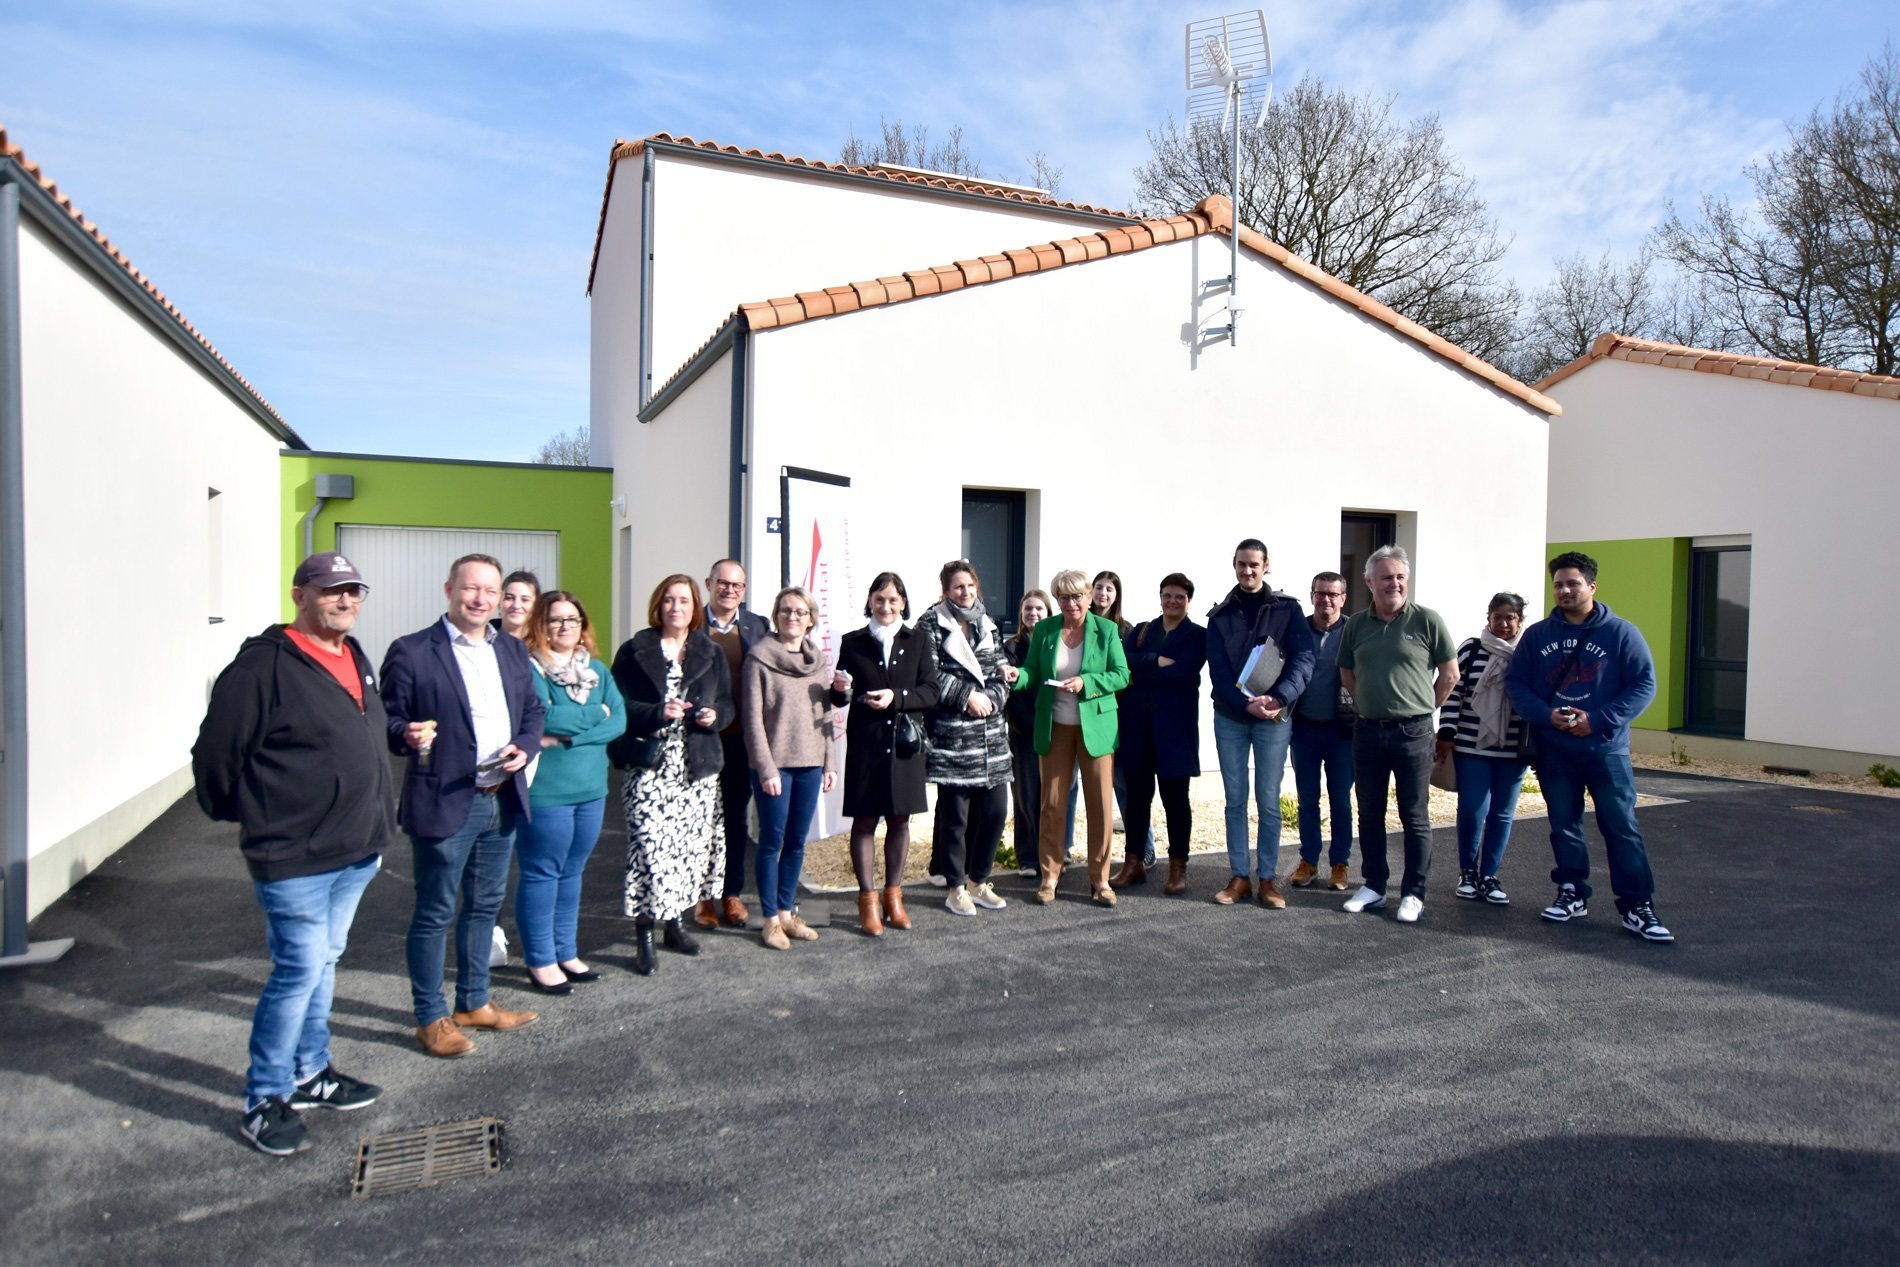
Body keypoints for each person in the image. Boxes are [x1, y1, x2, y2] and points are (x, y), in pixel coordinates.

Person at [193, 552, 395, 1156]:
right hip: (295, 856)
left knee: (325, 963)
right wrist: (256, 814)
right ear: (299, 595)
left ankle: (312, 1073)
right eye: (332, 591)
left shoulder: (353, 656)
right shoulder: (261, 669)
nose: (345, 600)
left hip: (357, 848)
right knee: (298, 972)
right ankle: (264, 1098)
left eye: (354, 591)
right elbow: (215, 758)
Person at [380, 553, 545, 1058]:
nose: (481, 599)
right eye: (471, 589)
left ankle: (473, 1002)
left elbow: (533, 710)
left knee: (483, 907)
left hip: (502, 798)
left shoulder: (512, 651)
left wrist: (526, 744)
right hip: (447, 801)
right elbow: (386, 721)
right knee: (434, 912)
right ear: (449, 588)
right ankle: (430, 1017)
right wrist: (404, 733)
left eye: (490, 592)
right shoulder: (411, 651)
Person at [1506, 552, 1674, 942]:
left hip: (1605, 749)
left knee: (1621, 826)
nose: (1565, 590)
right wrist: (1546, 716)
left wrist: (1596, 720)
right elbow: (1517, 683)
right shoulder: (1538, 635)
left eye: (1573, 584)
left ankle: (1637, 905)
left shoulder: (1620, 633)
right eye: (1559, 584)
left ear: (1592, 587)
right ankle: (1571, 892)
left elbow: (1643, 684)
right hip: (1555, 750)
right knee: (1564, 825)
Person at [610, 575, 734, 974]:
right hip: (650, 765)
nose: (675, 607)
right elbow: (616, 705)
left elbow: (729, 704)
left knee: (686, 851)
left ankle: (674, 925)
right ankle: (644, 933)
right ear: (657, 606)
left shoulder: (709, 651)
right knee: (648, 851)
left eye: (683, 600)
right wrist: (655, 712)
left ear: (695, 606)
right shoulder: (634, 650)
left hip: (696, 768)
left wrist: (716, 717)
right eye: (668, 600)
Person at [1337, 546, 1457, 925]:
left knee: (1415, 816)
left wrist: (1422, 708)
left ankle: (1412, 893)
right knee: (1369, 812)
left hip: (1414, 733)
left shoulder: (1427, 621)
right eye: (1386, 577)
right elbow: (1346, 674)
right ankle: (1374, 886)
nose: (1395, 583)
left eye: (1401, 577)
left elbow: (1450, 674)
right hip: (1368, 731)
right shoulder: (1356, 624)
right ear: (1370, 582)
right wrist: (1373, 705)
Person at [517, 591, 626, 994]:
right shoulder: (530, 670)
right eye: (555, 620)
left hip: (591, 788)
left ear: (583, 626)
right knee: (542, 872)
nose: (564, 627)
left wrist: (567, 738)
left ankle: (566, 951)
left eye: (572, 619)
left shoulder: (597, 669)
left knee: (573, 872)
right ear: (540, 626)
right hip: (547, 790)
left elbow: (619, 720)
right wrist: (594, 714)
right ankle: (540, 959)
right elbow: (542, 715)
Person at [1204, 539, 1316, 910]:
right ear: (1233, 566)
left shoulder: (1288, 610)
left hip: (1273, 718)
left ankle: (1267, 878)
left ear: (1267, 565)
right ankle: (1239, 876)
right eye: (1241, 564)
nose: (1247, 571)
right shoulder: (1219, 617)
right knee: (1235, 801)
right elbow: (1218, 674)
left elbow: (1304, 659)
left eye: (1254, 564)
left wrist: (1279, 697)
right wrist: (1244, 704)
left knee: (1268, 800)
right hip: (1232, 719)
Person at [1011, 568, 1131, 907]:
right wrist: (1015, 675)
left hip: (1096, 728)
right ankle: (1050, 876)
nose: (1070, 603)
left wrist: (1086, 683)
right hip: (1056, 726)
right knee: (1051, 803)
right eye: (1063, 597)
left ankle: (1100, 879)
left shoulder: (1106, 629)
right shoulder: (1046, 629)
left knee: (1100, 807)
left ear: (1089, 597)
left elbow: (1122, 675)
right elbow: (1032, 672)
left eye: (1076, 596)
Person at [831, 573, 940, 935]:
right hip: (866, 744)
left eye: (893, 600)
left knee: (899, 822)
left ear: (903, 603)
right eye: (880, 599)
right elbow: (839, 696)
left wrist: (898, 698)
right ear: (870, 601)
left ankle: (894, 898)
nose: (886, 606)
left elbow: (931, 692)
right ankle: (867, 901)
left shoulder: (919, 640)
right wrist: (840, 689)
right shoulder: (853, 642)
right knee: (863, 823)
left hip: (905, 747)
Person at [742, 586, 839, 950]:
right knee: (771, 841)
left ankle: (786, 912)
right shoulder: (759, 658)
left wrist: (829, 761)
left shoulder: (817, 662)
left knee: (797, 842)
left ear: (811, 620)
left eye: (800, 612)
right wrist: (765, 769)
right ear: (776, 616)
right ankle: (769, 919)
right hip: (775, 767)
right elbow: (753, 720)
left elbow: (824, 716)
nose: (792, 617)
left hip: (811, 764)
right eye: (785, 610)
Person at [921, 560, 1015, 916]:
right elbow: (929, 673)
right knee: (955, 819)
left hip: (991, 736)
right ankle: (955, 886)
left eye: (969, 586)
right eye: (958, 587)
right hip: (954, 736)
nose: (965, 592)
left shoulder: (986, 621)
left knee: (995, 811)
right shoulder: (931, 623)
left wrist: (992, 697)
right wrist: (966, 697)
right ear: (945, 590)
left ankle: (979, 880)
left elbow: (999, 668)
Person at [1114, 573, 1207, 895]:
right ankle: (1133, 863)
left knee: (1175, 802)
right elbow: (1123, 663)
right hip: (1137, 728)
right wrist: (1154, 659)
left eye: (1179, 596)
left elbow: (1184, 674)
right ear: (1160, 597)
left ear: (1188, 600)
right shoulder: (1142, 631)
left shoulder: (1197, 635)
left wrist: (1144, 673)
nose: (1172, 601)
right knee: (1137, 800)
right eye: (1167, 595)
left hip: (1174, 732)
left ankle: (1178, 868)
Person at [1437, 592, 1529, 906]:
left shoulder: (1528, 653)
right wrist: (1446, 732)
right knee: (1473, 811)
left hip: (1513, 750)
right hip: (1471, 746)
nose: (1503, 624)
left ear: (1520, 621)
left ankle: (1489, 875)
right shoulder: (1471, 649)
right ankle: (1467, 873)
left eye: (1510, 618)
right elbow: (1453, 691)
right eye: (1497, 617)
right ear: (1488, 617)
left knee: (1503, 814)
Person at [698, 559, 771, 929]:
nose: (729, 590)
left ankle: (731, 893)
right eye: (723, 583)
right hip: (699, 741)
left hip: (742, 740)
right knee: (699, 821)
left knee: (734, 821)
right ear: (709, 583)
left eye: (737, 585)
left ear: (744, 590)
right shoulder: (691, 624)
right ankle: (701, 897)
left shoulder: (758, 626)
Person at [1289, 572, 1357, 892]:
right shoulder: (1297, 630)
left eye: (1333, 595)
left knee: (1341, 801)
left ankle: (1340, 864)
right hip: (1304, 730)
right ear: (1312, 595)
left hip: (1343, 732)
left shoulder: (1354, 632)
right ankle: (1309, 861)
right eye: (1320, 594)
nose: (1325, 600)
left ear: (1343, 599)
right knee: (1307, 800)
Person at [1004, 590, 1074, 876]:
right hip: (1024, 731)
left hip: (1056, 729)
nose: (1033, 614)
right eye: (1027, 609)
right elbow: (1013, 695)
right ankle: (1029, 857)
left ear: (1048, 613)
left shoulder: (1057, 642)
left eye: (1039, 609)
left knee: (1056, 796)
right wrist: (1032, 725)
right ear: (1021, 614)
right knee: (1026, 795)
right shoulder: (1011, 647)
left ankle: (1056, 852)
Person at [1092, 568, 1153, 868]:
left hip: (1118, 716)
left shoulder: (1126, 631)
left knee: (1125, 785)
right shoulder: (1077, 625)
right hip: (1083, 716)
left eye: (1109, 589)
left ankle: (1143, 848)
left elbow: (1129, 675)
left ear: (1117, 596)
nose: (1103, 593)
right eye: (1098, 587)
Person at [496, 570, 541, 641]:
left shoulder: (544, 646)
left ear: (536, 605)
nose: (516, 606)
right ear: (498, 602)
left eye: (525, 600)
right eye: (509, 598)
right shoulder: (481, 640)